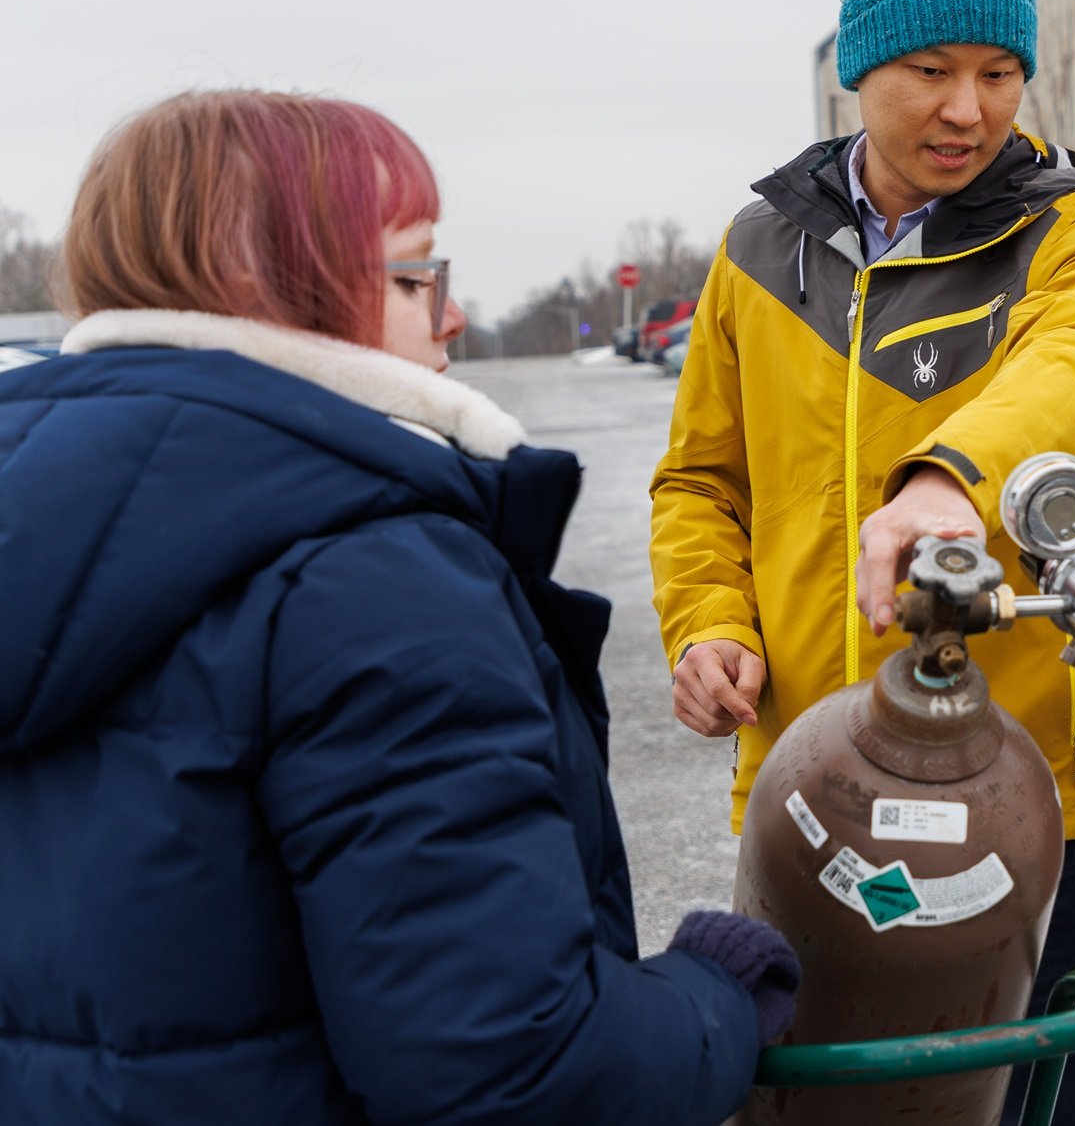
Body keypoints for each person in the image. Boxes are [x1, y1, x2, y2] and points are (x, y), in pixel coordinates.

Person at [0, 91, 797, 1125]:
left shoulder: (43, 530)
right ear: (274, 284)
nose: (454, 314)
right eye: (419, 274)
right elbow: (514, 1073)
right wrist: (714, 993)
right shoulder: (367, 581)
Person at [649, 0, 1075, 1124]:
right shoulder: (759, 251)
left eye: (999, 72)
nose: (968, 108)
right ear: (859, 69)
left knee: (1007, 1100)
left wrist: (950, 480)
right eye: (931, 70)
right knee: (805, 1091)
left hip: (1010, 783)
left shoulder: (1071, 232)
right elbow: (701, 481)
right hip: (804, 781)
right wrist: (709, 624)